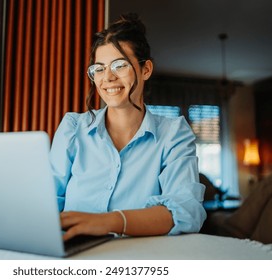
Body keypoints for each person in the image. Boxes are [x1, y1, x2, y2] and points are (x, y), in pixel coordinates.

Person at [50, 13, 206, 241]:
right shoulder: (73, 128)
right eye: (99, 69)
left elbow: (186, 211)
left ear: (146, 70)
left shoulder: (173, 134)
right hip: (74, 255)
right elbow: (48, 202)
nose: (108, 78)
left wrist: (108, 222)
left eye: (119, 65)